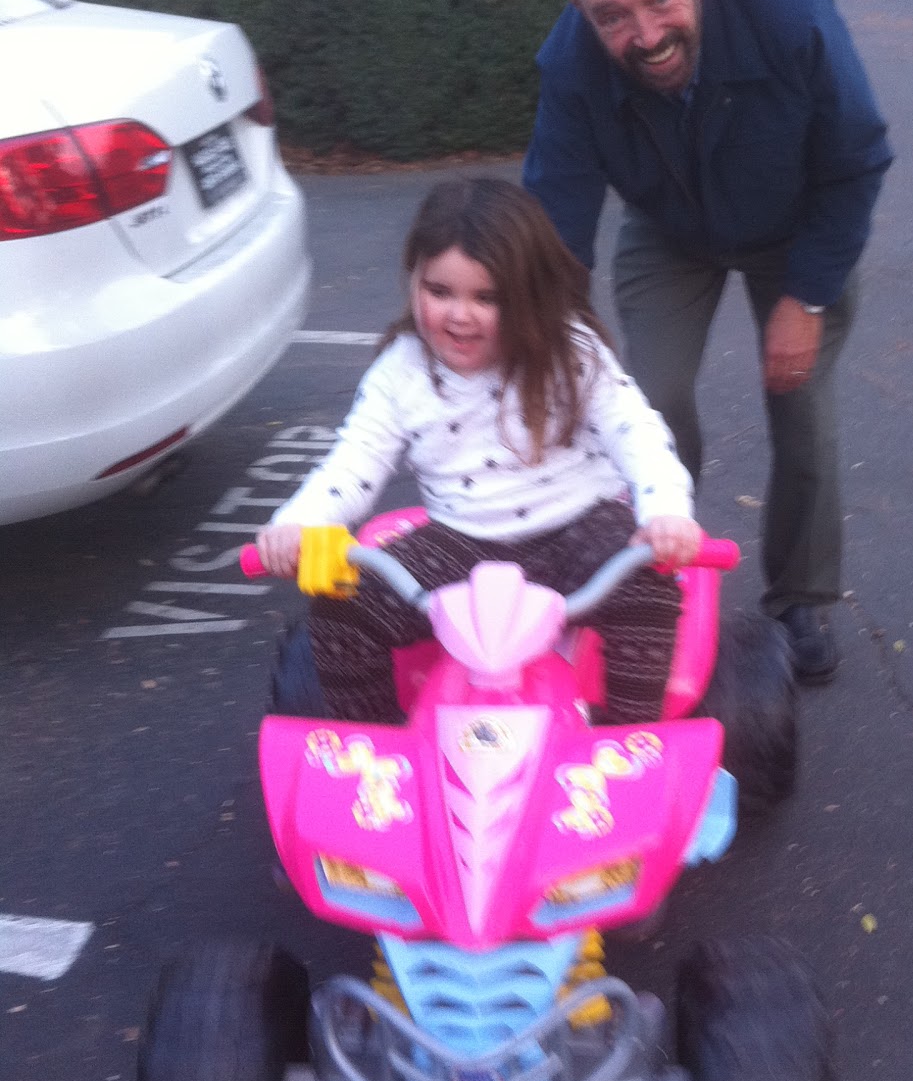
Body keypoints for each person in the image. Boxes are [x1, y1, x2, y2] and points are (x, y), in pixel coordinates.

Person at [524, 0, 892, 683]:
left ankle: (799, 597)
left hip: (797, 228)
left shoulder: (791, 16)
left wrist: (807, 297)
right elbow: (555, 215)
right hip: (669, 229)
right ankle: (653, 573)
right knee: (645, 398)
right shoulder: (571, 65)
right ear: (580, 13)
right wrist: (550, 334)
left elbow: (855, 160)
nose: (646, 35)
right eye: (612, 16)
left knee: (800, 404)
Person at [255, 177, 701, 726]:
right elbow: (354, 461)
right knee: (340, 613)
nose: (459, 315)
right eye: (439, 291)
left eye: (486, 298)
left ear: (528, 295)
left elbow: (636, 431)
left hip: (578, 524)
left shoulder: (570, 353)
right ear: (414, 279)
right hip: (462, 540)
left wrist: (664, 511)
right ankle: (378, 748)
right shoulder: (402, 372)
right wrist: (300, 522)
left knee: (647, 589)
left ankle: (635, 738)